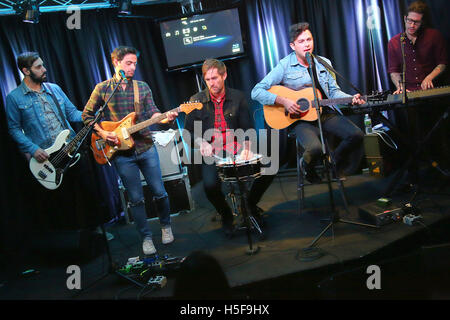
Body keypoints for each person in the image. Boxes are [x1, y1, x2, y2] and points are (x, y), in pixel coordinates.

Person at [82, 46, 178, 255]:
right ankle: (146, 237)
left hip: (145, 146)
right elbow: (87, 116)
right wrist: (103, 134)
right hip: (121, 154)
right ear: (116, 63)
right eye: (128, 63)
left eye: (135, 63)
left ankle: (166, 226)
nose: (133, 67)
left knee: (160, 192)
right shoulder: (103, 88)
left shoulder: (141, 87)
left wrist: (164, 116)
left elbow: (153, 111)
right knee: (135, 199)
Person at [251, 22, 366, 183]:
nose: (307, 45)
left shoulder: (324, 63)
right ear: (292, 45)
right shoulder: (285, 65)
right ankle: (306, 166)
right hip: (299, 119)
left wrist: (350, 98)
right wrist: (283, 100)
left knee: (356, 135)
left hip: (324, 114)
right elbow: (256, 91)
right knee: (315, 149)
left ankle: (334, 161)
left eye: (309, 40)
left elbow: (334, 92)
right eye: (301, 41)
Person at [184, 59, 269, 238]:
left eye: (215, 78)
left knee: (268, 169)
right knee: (210, 185)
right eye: (208, 79)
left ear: (224, 75)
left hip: (235, 148)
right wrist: (202, 143)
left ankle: (250, 206)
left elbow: (247, 128)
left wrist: (246, 148)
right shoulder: (196, 101)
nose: (212, 83)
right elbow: (188, 133)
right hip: (211, 152)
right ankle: (226, 215)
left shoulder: (237, 97)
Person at [387, 0, 448, 187]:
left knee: (437, 133)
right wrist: (399, 85)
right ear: (405, 19)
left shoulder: (434, 36)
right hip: (408, 92)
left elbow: (442, 63)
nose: (412, 25)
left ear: (422, 22)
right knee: (410, 135)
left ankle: (440, 171)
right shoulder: (395, 42)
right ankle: (412, 176)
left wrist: (430, 77)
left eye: (417, 22)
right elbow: (393, 71)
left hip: (430, 91)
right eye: (410, 21)